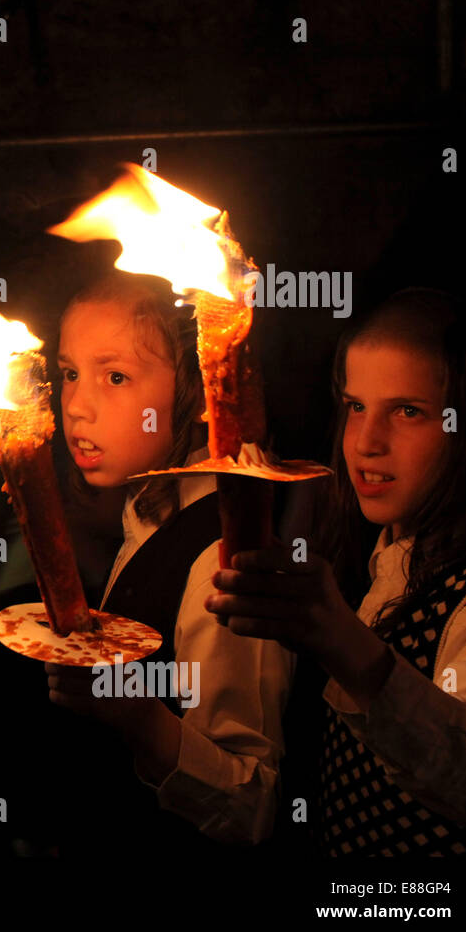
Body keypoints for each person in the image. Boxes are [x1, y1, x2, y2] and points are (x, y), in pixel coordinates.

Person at [208, 289, 466, 854]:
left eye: (408, 411)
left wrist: (341, 642)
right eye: (355, 406)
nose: (366, 443)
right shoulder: (387, 559)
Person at [44, 272, 293, 848]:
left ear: (194, 388)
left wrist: (138, 717)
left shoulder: (220, 558)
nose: (77, 406)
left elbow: (252, 805)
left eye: (116, 376)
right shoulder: (147, 512)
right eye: (70, 373)